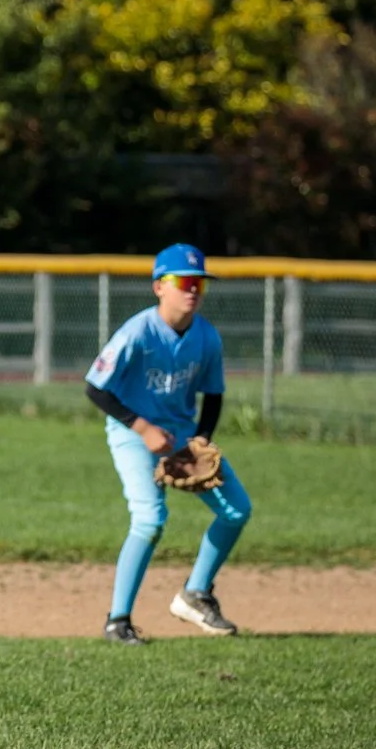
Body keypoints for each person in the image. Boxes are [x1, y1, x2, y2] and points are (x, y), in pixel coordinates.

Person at [84, 243, 253, 646]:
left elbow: (213, 394)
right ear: (160, 286)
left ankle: (195, 593)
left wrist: (202, 437)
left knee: (237, 510)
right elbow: (96, 388)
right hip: (132, 433)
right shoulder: (137, 332)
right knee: (149, 519)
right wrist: (142, 428)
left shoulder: (207, 337)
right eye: (183, 281)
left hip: (180, 436)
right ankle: (117, 621)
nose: (192, 289)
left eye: (199, 283)